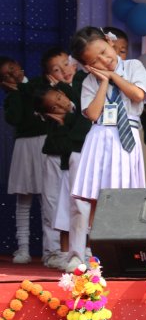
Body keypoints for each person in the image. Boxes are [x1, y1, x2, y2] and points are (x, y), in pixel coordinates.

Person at [69, 26, 146, 270]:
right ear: (87, 66)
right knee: (95, 198)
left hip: (126, 138)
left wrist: (113, 77)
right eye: (95, 60)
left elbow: (137, 95)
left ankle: (124, 252)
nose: (105, 60)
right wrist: (103, 82)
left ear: (109, 42)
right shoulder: (89, 81)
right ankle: (90, 254)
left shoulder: (133, 66)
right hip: (100, 137)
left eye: (104, 52)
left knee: (125, 196)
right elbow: (93, 114)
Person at [34, 86, 92, 271]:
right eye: (55, 106)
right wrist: (61, 124)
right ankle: (60, 254)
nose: (61, 104)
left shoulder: (81, 104)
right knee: (63, 212)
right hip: (66, 168)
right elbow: (65, 146)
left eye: (60, 98)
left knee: (87, 211)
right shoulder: (56, 125)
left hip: (85, 166)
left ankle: (88, 253)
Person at [1, 56, 51, 264]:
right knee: (23, 198)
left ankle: (50, 249)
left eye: (13, 68)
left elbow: (39, 99)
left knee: (48, 198)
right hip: (23, 146)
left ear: (20, 66)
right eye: (6, 74)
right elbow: (15, 118)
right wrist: (14, 93)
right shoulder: (11, 98)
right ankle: (23, 248)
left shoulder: (37, 84)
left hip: (45, 143)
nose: (12, 74)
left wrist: (21, 87)